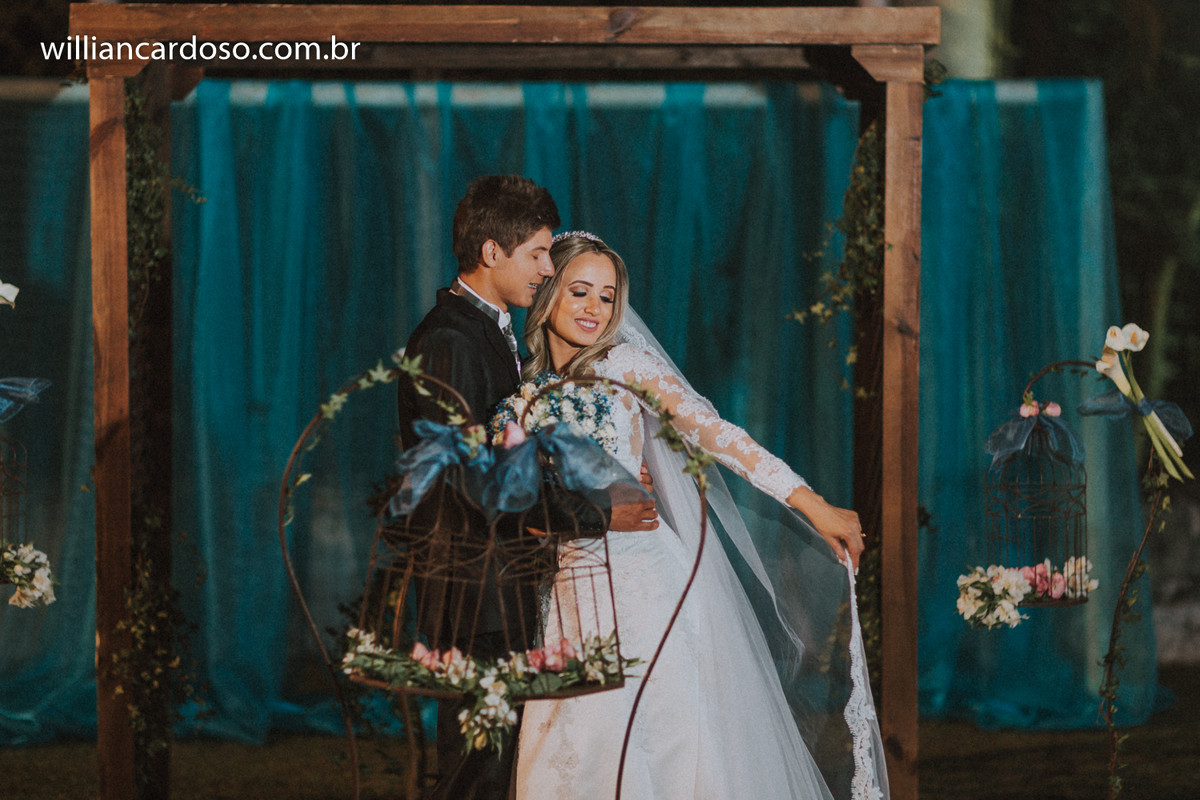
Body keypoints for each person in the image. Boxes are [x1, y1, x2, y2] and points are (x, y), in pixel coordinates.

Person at [509, 232, 890, 799]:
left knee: (663, 746)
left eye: (607, 297)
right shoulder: (526, 388)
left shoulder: (627, 363)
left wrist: (812, 503)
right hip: (568, 591)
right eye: (580, 291)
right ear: (548, 296)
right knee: (568, 755)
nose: (594, 309)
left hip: (642, 584)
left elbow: (718, 437)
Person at [396, 178, 658, 800]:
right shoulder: (449, 340)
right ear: (493, 253)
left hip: (507, 580)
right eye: (538, 254)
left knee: (502, 762)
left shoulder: (490, 330)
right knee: (476, 771)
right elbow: (472, 479)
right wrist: (598, 512)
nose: (547, 268)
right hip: (475, 588)